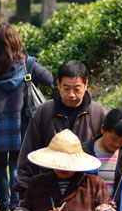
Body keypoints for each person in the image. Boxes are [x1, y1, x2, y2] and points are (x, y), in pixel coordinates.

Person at [0, 22, 53, 211]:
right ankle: (15, 207)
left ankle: (3, 208)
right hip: (21, 122)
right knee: (16, 164)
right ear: (16, 41)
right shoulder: (27, 63)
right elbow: (50, 79)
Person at [14, 60, 108, 195]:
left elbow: (114, 146)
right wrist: (24, 190)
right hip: (47, 190)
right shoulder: (44, 112)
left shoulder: (98, 114)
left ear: (86, 85)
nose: (71, 94)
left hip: (84, 192)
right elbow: (28, 152)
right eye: (66, 88)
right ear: (58, 84)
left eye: (76, 89)